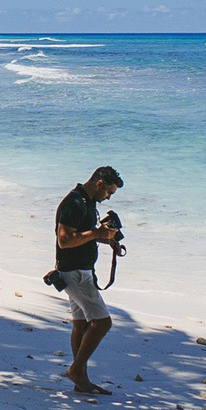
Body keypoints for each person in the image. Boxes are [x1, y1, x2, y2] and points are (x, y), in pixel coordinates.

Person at [54, 165, 124, 395]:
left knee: (81, 324)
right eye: (109, 192)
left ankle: (81, 380)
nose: (108, 197)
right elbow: (64, 240)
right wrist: (96, 234)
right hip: (74, 273)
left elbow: (82, 237)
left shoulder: (87, 202)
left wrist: (106, 239)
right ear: (98, 184)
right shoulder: (74, 203)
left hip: (78, 270)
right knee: (103, 323)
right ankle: (75, 370)